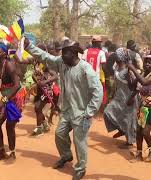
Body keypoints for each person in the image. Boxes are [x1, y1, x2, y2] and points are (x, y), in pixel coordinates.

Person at [25, 38, 103, 180]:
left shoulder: (86, 70)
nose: (61, 55)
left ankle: (80, 168)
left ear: (73, 53)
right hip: (67, 111)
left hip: (82, 113)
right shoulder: (62, 63)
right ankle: (66, 155)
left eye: (64, 52)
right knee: (59, 134)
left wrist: (89, 112)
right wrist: (28, 46)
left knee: (79, 141)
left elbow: (98, 92)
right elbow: (45, 57)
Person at [128, 55, 151, 163]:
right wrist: (129, 74)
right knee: (138, 131)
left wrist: (133, 68)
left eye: (150, 62)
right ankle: (138, 154)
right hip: (143, 107)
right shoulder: (142, 74)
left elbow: (144, 82)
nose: (147, 64)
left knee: (145, 132)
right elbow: (133, 87)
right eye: (146, 62)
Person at [103, 48, 139, 148]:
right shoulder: (117, 68)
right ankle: (122, 130)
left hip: (128, 98)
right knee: (108, 112)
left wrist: (132, 97)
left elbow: (136, 85)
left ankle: (130, 142)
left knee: (129, 119)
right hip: (119, 97)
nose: (115, 56)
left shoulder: (128, 70)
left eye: (117, 55)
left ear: (121, 58)